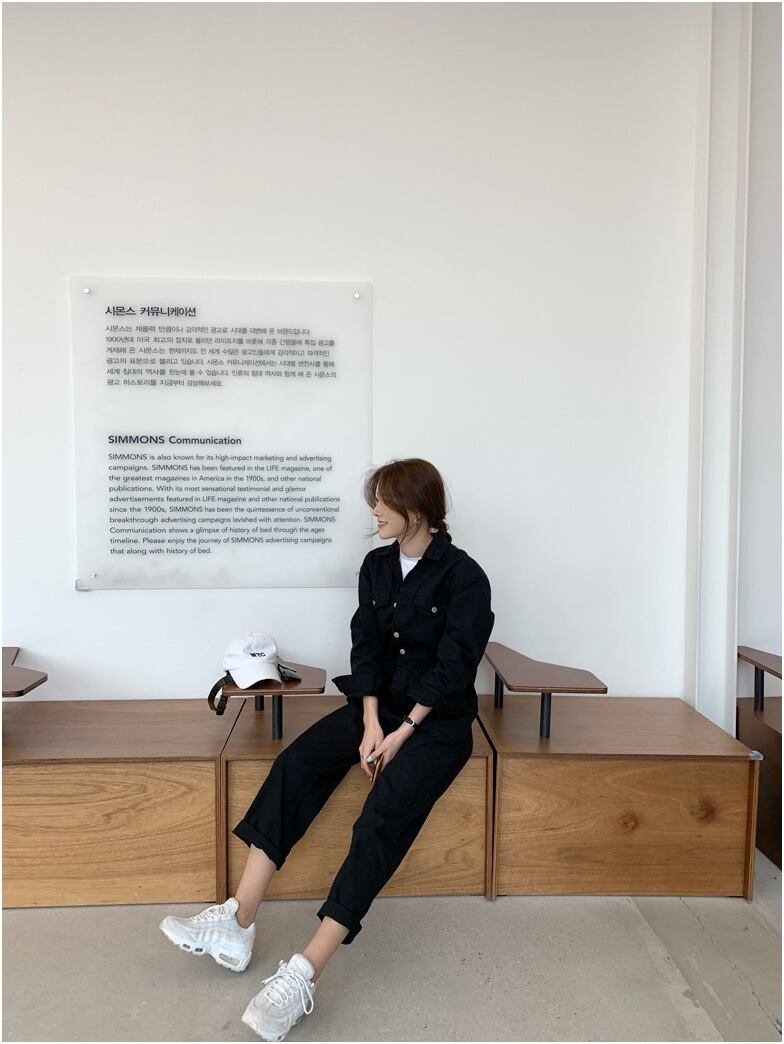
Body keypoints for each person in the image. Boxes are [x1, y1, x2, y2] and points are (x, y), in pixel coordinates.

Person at [159, 457, 495, 1041]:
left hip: (436, 723)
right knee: (297, 763)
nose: (375, 511)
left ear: (416, 508)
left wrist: (401, 732)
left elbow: (454, 666)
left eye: (384, 501)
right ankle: (238, 920)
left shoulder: (466, 577)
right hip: (378, 707)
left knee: (382, 815)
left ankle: (305, 970)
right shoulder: (376, 565)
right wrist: (369, 720)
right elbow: (365, 645)